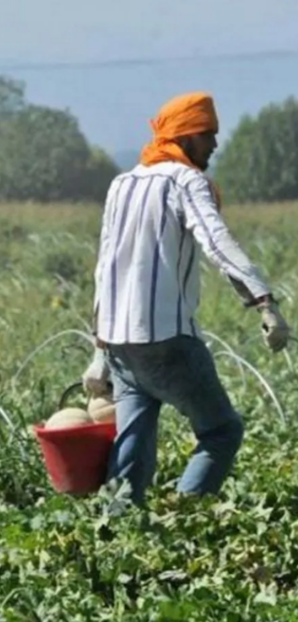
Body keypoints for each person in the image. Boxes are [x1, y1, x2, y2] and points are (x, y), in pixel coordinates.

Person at [81, 91, 291, 506]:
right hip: (167, 340)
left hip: (122, 343)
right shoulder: (185, 181)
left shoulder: (122, 184)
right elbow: (217, 241)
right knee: (221, 431)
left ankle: (117, 531)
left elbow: (106, 266)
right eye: (207, 134)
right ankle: (184, 519)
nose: (214, 143)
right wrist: (265, 303)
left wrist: (100, 348)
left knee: (133, 445)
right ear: (185, 136)